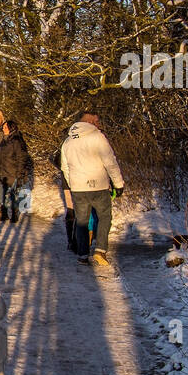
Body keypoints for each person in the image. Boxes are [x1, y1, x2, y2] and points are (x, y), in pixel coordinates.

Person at [60, 110, 125, 266]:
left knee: (81, 221)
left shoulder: (68, 142)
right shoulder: (98, 138)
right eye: (96, 121)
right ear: (88, 122)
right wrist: (118, 183)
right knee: (105, 217)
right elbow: (110, 162)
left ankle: (83, 254)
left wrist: (73, 182)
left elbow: (65, 167)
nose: (98, 124)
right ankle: (100, 250)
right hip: (99, 186)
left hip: (78, 189)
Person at [0, 119, 33, 222]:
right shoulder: (4, 141)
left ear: (11, 128)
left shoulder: (17, 141)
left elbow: (22, 157)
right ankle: (4, 213)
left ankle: (14, 215)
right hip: (3, 171)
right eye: (3, 127)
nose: (3, 129)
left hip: (12, 171)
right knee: (3, 194)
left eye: (6, 127)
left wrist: (20, 172)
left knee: (12, 194)